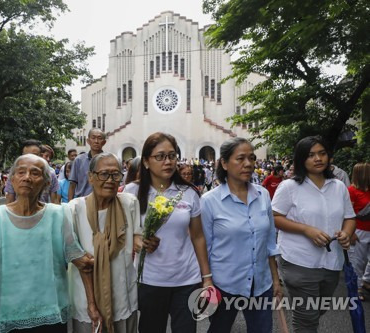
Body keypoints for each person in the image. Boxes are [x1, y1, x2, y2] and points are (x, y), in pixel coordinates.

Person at [0, 154, 96, 333]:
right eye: (21, 172)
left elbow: (77, 256)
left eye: (35, 173)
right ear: (12, 179)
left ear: (45, 183)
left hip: (51, 311)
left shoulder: (59, 214)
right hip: (13, 313)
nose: (27, 177)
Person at [124, 132, 212, 333]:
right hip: (149, 280)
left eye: (172, 156)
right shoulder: (131, 192)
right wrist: (136, 241)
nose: (168, 162)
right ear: (146, 161)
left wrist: (206, 277)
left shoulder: (188, 193)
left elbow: (198, 237)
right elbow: (122, 232)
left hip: (186, 279)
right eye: (160, 156)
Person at [272, 136, 356, 332]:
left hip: (332, 262)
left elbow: (350, 217)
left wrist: (346, 233)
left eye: (322, 153)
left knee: (318, 310)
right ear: (301, 159)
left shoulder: (339, 187)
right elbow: (274, 217)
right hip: (299, 261)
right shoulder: (289, 187)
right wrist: (306, 229)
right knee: (306, 318)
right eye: (311, 155)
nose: (318, 158)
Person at [200, 138, 282, 333]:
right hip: (224, 284)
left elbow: (269, 243)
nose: (248, 164)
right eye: (241, 158)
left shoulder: (263, 196)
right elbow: (205, 247)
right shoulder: (209, 201)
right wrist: (207, 281)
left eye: (251, 158)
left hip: (261, 284)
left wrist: (276, 280)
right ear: (225, 163)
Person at [69, 152, 143, 333]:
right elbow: (75, 257)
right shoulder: (74, 209)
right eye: (104, 174)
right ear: (91, 177)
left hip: (123, 292)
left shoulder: (129, 203)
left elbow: (137, 238)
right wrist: (92, 304)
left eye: (116, 174)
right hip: (85, 297)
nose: (110, 180)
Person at [347, 162, 370, 300]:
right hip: (359, 230)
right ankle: (357, 287)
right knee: (358, 261)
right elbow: (347, 213)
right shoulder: (351, 191)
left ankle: (366, 280)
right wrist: (351, 232)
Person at [69, 128, 107, 200]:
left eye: (99, 138)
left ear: (104, 142)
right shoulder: (79, 160)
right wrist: (70, 205)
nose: (96, 141)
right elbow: (72, 185)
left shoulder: (108, 160)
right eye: (93, 138)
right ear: (88, 141)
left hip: (103, 201)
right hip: (82, 201)